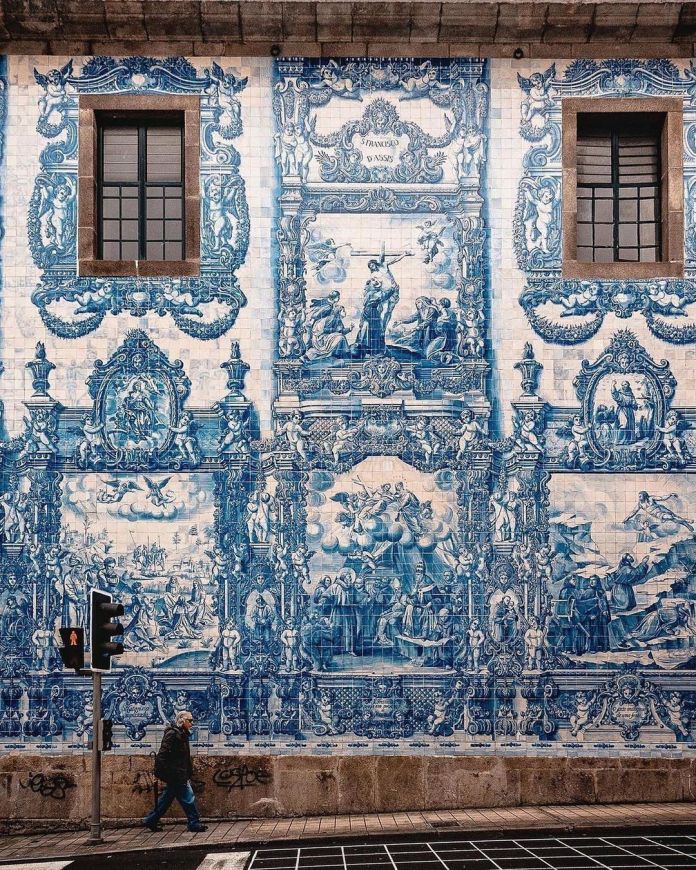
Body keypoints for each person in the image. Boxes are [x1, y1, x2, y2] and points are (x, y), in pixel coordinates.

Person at [144, 710, 207, 833]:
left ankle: (151, 820)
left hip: (179, 773)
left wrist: (187, 771)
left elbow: (183, 757)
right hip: (176, 774)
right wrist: (160, 772)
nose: (192, 723)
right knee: (188, 797)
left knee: (166, 799)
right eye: (190, 720)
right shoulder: (173, 734)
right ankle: (194, 823)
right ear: (182, 721)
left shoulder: (182, 734)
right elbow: (162, 754)